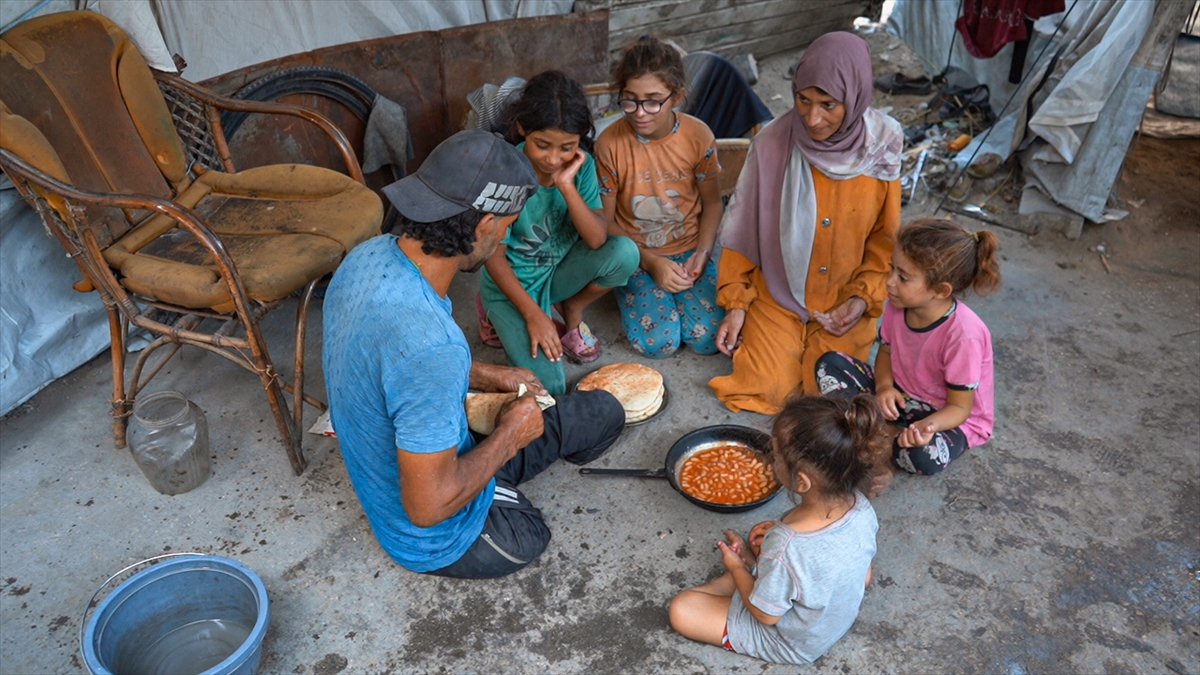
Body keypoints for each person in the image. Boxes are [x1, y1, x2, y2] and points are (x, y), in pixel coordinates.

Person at [322, 130, 626, 579]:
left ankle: (485, 468)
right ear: (484, 224)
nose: (503, 237)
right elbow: (427, 509)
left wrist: (488, 375)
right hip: (432, 537)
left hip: (421, 449)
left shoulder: (368, 257)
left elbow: (396, 361)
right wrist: (510, 436)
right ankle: (491, 482)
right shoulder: (431, 345)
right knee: (528, 533)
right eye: (506, 227)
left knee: (604, 410)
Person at [708, 31, 903, 415]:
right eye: (803, 100)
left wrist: (862, 297)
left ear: (857, 96)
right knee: (768, 390)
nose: (813, 119)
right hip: (778, 295)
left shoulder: (882, 145)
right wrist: (736, 304)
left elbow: (886, 240)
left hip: (845, 299)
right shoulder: (772, 144)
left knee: (827, 397)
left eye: (829, 104)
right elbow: (743, 233)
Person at [669, 395, 883, 665]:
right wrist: (774, 545)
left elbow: (766, 616)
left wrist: (737, 567)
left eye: (777, 454)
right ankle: (762, 579)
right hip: (833, 616)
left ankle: (751, 577)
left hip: (792, 643)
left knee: (682, 609)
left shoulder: (787, 544)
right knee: (794, 569)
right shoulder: (861, 507)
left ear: (802, 481)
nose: (771, 460)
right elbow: (855, 566)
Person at [478, 71, 640, 395]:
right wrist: (535, 316)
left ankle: (571, 310)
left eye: (567, 147)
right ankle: (494, 312)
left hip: (557, 272)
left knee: (625, 253)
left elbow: (596, 239)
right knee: (550, 386)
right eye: (542, 145)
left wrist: (566, 186)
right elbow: (492, 257)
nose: (553, 159)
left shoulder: (582, 168)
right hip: (512, 282)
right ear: (523, 129)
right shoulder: (504, 172)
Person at [815, 218, 1000, 496]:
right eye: (892, 269)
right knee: (830, 365)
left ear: (941, 290)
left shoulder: (964, 335)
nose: (889, 282)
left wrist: (926, 427)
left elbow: (961, 409)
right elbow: (886, 352)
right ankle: (882, 432)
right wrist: (886, 387)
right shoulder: (898, 304)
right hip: (901, 396)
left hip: (947, 416)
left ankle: (881, 443)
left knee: (922, 455)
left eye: (903, 277)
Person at [594, 35, 725, 358]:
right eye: (629, 100)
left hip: (691, 250)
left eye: (653, 101)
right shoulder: (610, 144)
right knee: (658, 344)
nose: (640, 112)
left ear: (677, 96)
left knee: (708, 339)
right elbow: (605, 221)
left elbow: (712, 203)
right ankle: (628, 286)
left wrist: (704, 253)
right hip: (636, 254)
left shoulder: (698, 136)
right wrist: (651, 263)